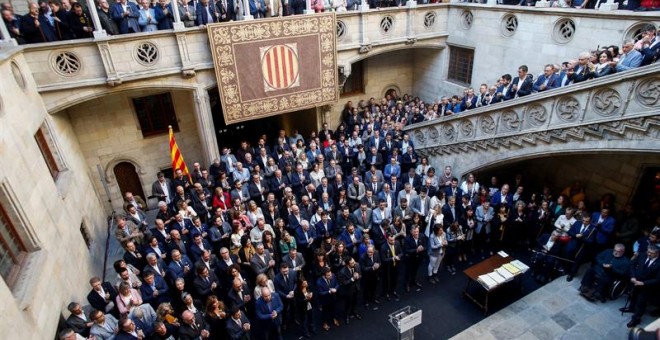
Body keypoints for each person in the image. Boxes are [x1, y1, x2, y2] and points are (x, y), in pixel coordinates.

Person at [622, 245, 660, 328]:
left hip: (647, 287)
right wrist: (632, 276)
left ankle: (636, 319)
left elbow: (657, 279)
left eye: (651, 253)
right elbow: (632, 265)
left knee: (641, 302)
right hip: (635, 281)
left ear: (657, 254)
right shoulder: (643, 254)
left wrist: (643, 283)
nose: (649, 254)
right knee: (633, 296)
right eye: (648, 252)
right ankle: (631, 308)